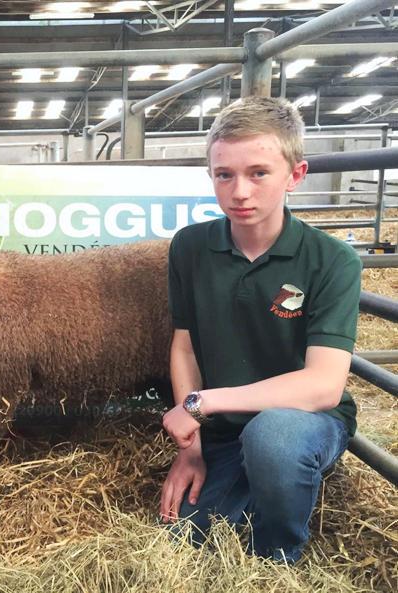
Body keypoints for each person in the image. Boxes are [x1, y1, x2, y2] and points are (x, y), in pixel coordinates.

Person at [159, 96, 360, 563]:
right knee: (186, 537)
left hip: (303, 421)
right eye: (224, 175)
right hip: (226, 430)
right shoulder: (190, 248)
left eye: (259, 173)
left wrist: (201, 404)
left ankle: (277, 556)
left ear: (295, 174)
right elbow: (185, 346)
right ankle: (260, 483)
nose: (240, 192)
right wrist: (192, 448)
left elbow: (324, 385)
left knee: (274, 439)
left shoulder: (332, 260)